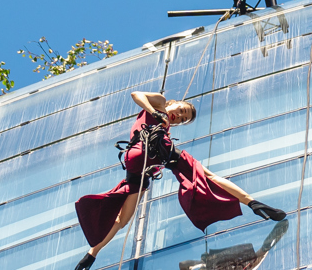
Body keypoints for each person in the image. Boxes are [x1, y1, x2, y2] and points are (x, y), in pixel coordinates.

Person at [73, 91, 285, 270]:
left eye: (184, 119)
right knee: (123, 219)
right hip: (141, 157)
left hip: (159, 153)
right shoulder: (159, 104)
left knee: (205, 175)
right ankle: (93, 253)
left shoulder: (165, 131)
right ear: (173, 103)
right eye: (181, 111)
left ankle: (253, 203)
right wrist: (157, 111)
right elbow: (136, 95)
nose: (180, 116)